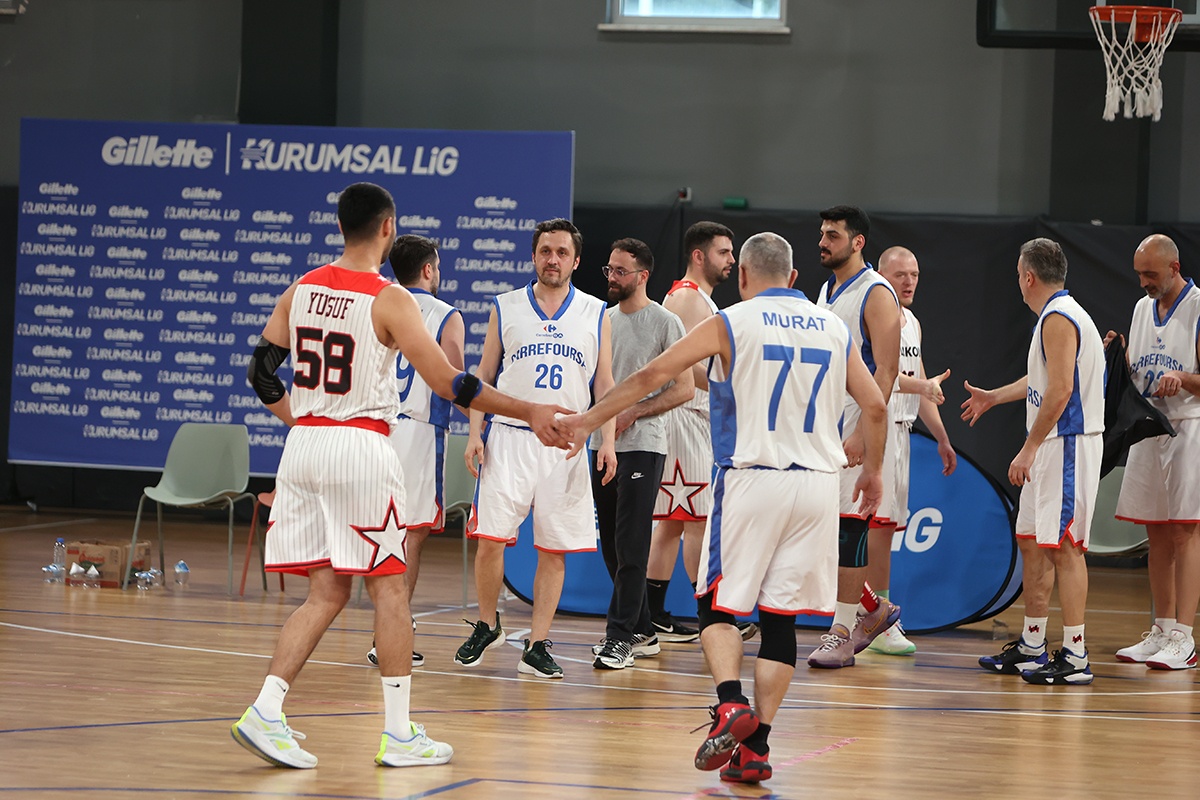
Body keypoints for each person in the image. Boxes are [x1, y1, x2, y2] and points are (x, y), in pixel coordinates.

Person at [231, 182, 570, 769]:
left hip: (303, 446)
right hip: (361, 448)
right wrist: (529, 410)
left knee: (326, 591)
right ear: (388, 227)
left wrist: (307, 422)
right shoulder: (389, 299)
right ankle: (397, 734)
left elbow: (261, 373)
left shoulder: (299, 289)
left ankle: (266, 709)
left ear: (342, 226)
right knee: (389, 589)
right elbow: (451, 383)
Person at [559, 232, 887, 784]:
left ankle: (731, 702)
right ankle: (756, 749)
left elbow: (651, 377)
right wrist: (873, 471)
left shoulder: (730, 320)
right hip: (817, 486)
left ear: (745, 276)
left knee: (715, 605)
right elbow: (874, 404)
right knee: (780, 621)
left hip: (752, 479)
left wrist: (588, 420)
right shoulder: (833, 327)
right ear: (793, 277)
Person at [455, 218, 616, 679]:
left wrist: (607, 440)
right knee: (490, 540)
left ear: (576, 261)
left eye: (562, 252)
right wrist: (475, 433)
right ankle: (488, 624)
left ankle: (537, 644)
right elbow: (483, 376)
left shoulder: (596, 312)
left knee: (553, 548)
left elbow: (604, 384)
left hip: (565, 443)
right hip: (509, 436)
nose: (553, 259)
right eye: (546, 250)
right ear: (533, 256)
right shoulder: (505, 306)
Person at [965, 237, 1104, 685]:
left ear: (1028, 277)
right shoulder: (1056, 314)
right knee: (1031, 540)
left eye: (1017, 275)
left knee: (1065, 546)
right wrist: (994, 397)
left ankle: (1076, 655)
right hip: (1051, 444)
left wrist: (1029, 447)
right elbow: (1042, 379)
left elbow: (1061, 390)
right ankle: (1032, 644)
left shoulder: (1059, 317)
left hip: (1066, 443)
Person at [591, 238, 694, 670]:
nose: (612, 277)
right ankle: (643, 629)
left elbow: (685, 389)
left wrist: (634, 411)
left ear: (642, 276)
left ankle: (620, 638)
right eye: (609, 269)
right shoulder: (601, 319)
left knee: (632, 544)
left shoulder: (666, 322)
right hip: (601, 443)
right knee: (612, 548)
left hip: (644, 445)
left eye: (621, 271)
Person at [807, 206, 902, 669]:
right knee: (819, 534)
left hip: (856, 425)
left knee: (849, 530)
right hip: (826, 424)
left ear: (857, 242)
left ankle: (842, 632)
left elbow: (887, 370)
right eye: (822, 234)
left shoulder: (876, 292)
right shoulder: (826, 289)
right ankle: (872, 609)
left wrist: (865, 431)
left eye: (832, 235)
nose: (823, 242)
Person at [366, 234, 464, 670]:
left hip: (376, 429)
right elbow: (457, 383)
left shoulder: (377, 305)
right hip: (420, 432)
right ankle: (391, 634)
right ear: (428, 270)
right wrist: (493, 422)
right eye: (437, 267)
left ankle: (383, 633)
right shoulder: (445, 315)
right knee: (410, 536)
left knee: (380, 533)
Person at [647, 221, 746, 643]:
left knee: (674, 522)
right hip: (685, 417)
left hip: (693, 418)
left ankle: (653, 613)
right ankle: (713, 614)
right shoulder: (687, 298)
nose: (732, 260)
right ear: (699, 255)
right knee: (696, 519)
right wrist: (736, 387)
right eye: (724, 252)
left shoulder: (698, 299)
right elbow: (685, 370)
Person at [1109, 234, 1200, 670]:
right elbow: (1138, 369)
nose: (1143, 281)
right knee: (1157, 532)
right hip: (1149, 426)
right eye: (1139, 274)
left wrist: (1185, 379)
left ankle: (1184, 636)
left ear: (1174, 268)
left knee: (1185, 531)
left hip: (1188, 426)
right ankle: (1162, 629)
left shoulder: (1197, 308)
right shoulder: (1141, 308)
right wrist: (1117, 357)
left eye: (1150, 274)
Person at [869, 246, 958, 655]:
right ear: (882, 276)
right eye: (900, 274)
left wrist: (941, 437)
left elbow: (922, 384)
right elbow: (879, 375)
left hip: (901, 430)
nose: (909, 282)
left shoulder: (912, 322)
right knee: (874, 528)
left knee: (885, 529)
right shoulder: (875, 315)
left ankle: (875, 616)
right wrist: (922, 385)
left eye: (915, 275)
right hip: (875, 426)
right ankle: (875, 619)